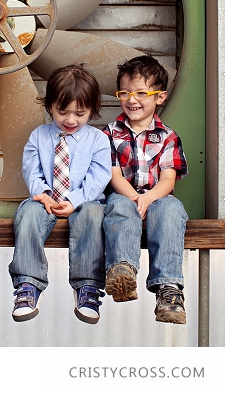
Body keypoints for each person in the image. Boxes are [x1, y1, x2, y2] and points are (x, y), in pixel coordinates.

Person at [9, 65, 111, 324]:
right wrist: (41, 193)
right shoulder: (38, 136)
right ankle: (28, 284)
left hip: (84, 201)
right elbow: (31, 170)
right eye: (62, 111)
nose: (71, 120)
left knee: (93, 215)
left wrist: (74, 201)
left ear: (92, 109)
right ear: (50, 106)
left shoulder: (98, 140)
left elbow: (99, 177)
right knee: (27, 214)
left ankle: (87, 286)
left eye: (80, 113)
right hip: (46, 201)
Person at [103, 55, 188, 324]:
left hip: (157, 200)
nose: (132, 99)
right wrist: (134, 198)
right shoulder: (110, 133)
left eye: (141, 92)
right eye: (125, 93)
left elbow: (168, 180)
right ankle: (123, 269)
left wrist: (148, 198)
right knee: (118, 204)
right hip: (125, 197)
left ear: (160, 97)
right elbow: (114, 174)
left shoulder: (168, 137)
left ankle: (168, 289)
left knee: (172, 207)